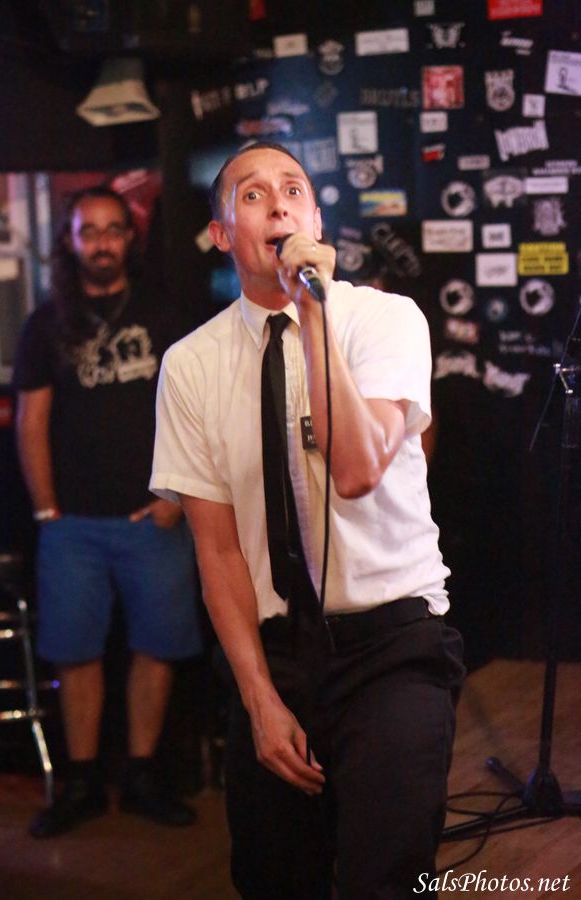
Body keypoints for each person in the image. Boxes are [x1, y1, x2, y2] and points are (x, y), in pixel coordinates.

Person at [150, 143, 464, 899]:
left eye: (293, 190)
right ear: (222, 233)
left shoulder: (385, 320)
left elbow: (355, 471)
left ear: (316, 220)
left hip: (392, 643)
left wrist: (312, 309)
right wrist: (258, 699)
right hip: (278, 654)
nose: (279, 204)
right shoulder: (190, 364)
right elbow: (218, 552)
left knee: (386, 877)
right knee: (272, 879)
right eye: (253, 195)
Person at [13, 185, 203, 839]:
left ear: (130, 237)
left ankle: (143, 776)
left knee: (158, 647)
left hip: (153, 518)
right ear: (70, 242)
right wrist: (47, 512)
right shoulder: (45, 322)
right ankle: (83, 784)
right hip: (73, 527)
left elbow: (196, 410)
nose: (101, 242)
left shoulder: (164, 314)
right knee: (75, 654)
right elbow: (31, 420)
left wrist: (177, 495)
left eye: (112, 229)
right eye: (87, 231)